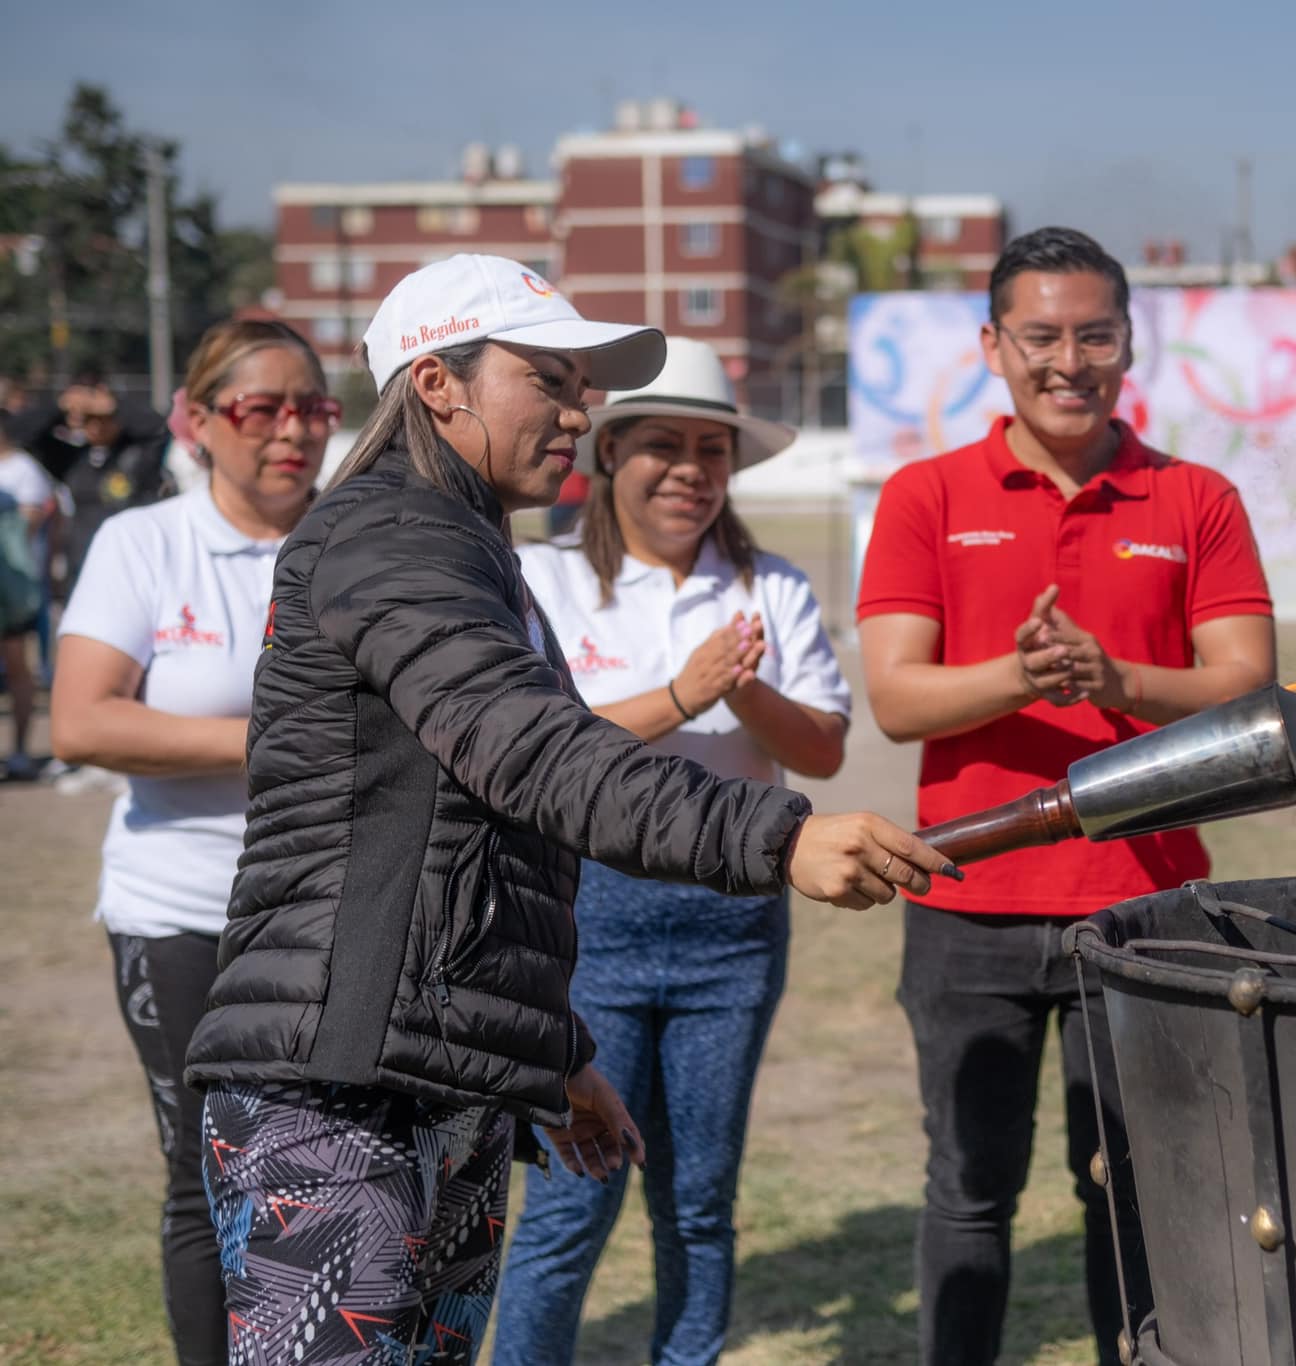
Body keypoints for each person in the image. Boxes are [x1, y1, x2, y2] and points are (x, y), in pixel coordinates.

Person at [180, 255, 952, 1365]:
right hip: (338, 1093)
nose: (580, 412)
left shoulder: (464, 546)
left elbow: (482, 843)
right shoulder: (391, 536)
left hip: (431, 1077)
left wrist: (554, 1049)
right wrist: (774, 835)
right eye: (551, 378)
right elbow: (536, 755)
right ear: (439, 385)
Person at [858, 226, 1277, 1366]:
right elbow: (895, 699)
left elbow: (1247, 693)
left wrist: (1116, 679)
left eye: (1093, 334)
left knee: (1135, 1191)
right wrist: (1023, 673)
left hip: (1143, 906)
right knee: (967, 1187)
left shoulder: (1194, 497)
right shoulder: (924, 494)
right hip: (965, 899)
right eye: (1039, 335)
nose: (1067, 360)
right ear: (992, 345)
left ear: (1129, 343)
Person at [496, 337, 852, 1363]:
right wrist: (685, 694)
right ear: (607, 453)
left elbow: (820, 750)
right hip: (584, 919)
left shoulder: (768, 585)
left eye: (712, 448)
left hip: (732, 925)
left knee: (698, 1199)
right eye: (662, 444)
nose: (690, 470)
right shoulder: (543, 580)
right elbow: (531, 751)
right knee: (571, 1201)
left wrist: (745, 690)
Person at [46, 319, 335, 1363]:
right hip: (184, 915)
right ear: (199, 421)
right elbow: (82, 720)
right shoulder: (146, 543)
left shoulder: (352, 543)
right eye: (262, 409)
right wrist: (271, 743)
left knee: (325, 1169)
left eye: (311, 407)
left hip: (324, 915)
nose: (290, 431)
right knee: (206, 1170)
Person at [14, 377, 174, 591]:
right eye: (89, 418)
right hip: (85, 564)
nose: (97, 425)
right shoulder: (74, 460)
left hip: (134, 562)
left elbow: (160, 428)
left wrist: (113, 405)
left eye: (104, 418)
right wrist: (61, 406)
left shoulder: (138, 453)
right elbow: (21, 432)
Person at [0, 416, 59, 777]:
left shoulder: (23, 470)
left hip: (13, 591)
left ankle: (20, 750)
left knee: (19, 667)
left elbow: (32, 528)